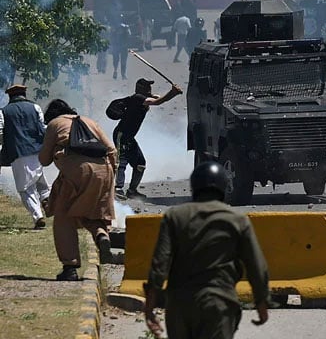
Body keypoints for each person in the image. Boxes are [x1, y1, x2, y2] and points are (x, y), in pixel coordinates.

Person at [144, 161, 270, 339]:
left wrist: (149, 308)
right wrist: (261, 302)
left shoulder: (174, 216)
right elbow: (256, 266)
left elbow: (159, 264)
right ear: (223, 187)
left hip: (180, 307)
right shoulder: (237, 220)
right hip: (218, 304)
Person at [38, 99, 117, 281]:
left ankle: (70, 267)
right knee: (92, 212)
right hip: (104, 171)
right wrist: (109, 177)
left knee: (64, 216)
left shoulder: (54, 124)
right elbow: (111, 150)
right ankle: (101, 235)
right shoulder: (90, 122)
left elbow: (44, 160)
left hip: (78, 172)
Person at [112, 79, 183, 199]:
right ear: (140, 89)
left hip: (129, 137)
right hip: (121, 135)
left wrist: (170, 93)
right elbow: (158, 102)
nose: (150, 89)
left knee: (140, 164)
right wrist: (173, 92)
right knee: (121, 161)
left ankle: (132, 191)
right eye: (147, 87)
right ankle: (118, 189)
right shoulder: (138, 98)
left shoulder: (142, 98)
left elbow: (156, 97)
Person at [0, 84, 50, 229]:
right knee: (40, 180)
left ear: (10, 96)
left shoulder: (4, 112)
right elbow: (42, 128)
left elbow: (0, 134)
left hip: (18, 153)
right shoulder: (36, 107)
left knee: (25, 188)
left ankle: (38, 216)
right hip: (38, 151)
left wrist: (5, 147)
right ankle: (46, 199)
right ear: (24, 94)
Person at [111, 14, 131, 80]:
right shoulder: (125, 27)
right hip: (122, 46)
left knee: (117, 60)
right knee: (123, 61)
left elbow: (111, 37)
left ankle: (116, 71)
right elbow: (129, 35)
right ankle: (122, 74)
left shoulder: (114, 27)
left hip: (117, 46)